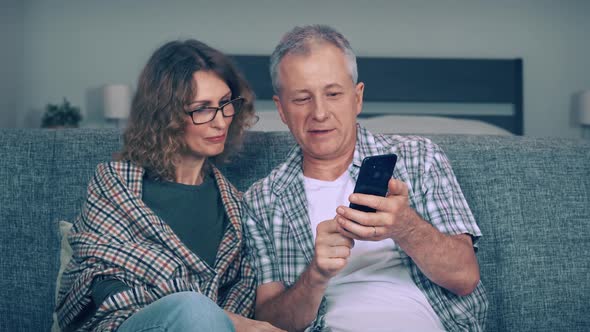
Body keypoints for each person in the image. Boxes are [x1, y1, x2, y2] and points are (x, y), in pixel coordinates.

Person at [242, 25, 488, 332]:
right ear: (281, 109)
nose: (319, 113)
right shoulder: (262, 200)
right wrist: (316, 274)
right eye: (302, 99)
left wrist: (405, 226)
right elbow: (270, 324)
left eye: (333, 94)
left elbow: (465, 278)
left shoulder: (419, 158)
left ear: (357, 98)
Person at [56, 39, 284, 332]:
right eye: (202, 109)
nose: (221, 122)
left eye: (226, 103)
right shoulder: (115, 184)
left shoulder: (236, 208)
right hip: (126, 325)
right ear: (166, 116)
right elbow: (100, 284)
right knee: (194, 308)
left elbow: (243, 292)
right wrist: (232, 321)